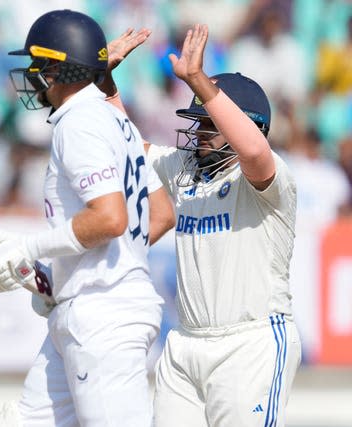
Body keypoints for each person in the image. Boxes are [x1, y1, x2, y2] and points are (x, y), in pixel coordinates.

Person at [0, 10, 175, 426]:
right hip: (88, 307)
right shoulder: (117, 120)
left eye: (37, 64)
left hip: (102, 316)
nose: (32, 74)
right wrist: (61, 273)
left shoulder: (79, 121)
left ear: (57, 67)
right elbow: (161, 214)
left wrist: (28, 247)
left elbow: (111, 219)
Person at [105, 24, 302, 426]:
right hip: (185, 344)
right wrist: (102, 82)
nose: (198, 134)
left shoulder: (270, 178)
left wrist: (198, 79)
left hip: (250, 343)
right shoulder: (184, 170)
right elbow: (122, 142)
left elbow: (253, 150)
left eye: (208, 124)